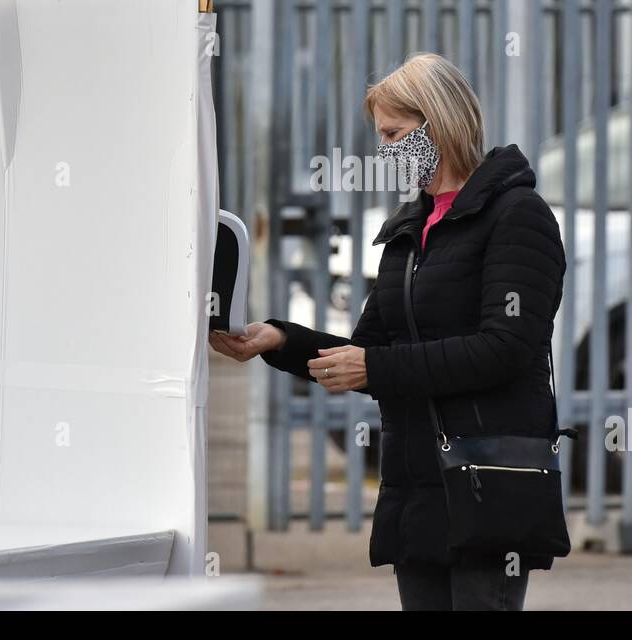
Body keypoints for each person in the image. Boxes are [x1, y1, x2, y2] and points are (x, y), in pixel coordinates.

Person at [209, 52, 567, 610]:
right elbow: (367, 351)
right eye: (382, 136)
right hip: (417, 489)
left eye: (395, 133)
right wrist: (277, 340)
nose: (386, 150)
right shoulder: (409, 228)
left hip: (486, 484)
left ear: (439, 122)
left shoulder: (517, 215)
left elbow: (507, 348)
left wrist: (374, 367)